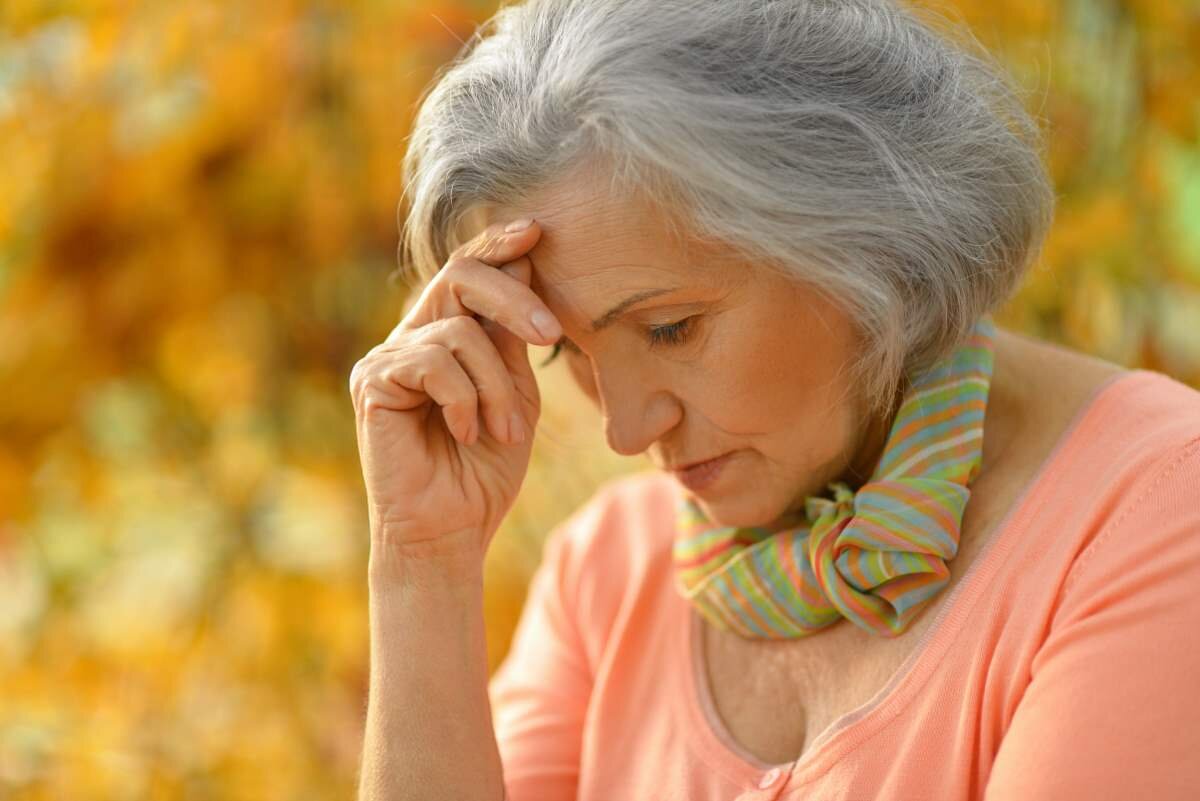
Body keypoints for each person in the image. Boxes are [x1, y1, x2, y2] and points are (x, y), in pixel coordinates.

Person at [349, 1, 1200, 799]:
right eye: (568, 347)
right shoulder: (608, 578)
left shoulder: (1154, 512)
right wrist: (421, 562)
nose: (625, 428)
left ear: (861, 231)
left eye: (671, 328)